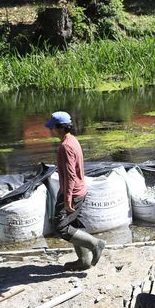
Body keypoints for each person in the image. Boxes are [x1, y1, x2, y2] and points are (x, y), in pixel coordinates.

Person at [46, 111, 105, 271]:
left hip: (72, 193)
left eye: (53, 127)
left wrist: (67, 199)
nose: (51, 130)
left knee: (61, 227)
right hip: (79, 190)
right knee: (73, 224)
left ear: (60, 127)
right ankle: (84, 260)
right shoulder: (73, 140)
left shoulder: (65, 147)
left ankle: (96, 244)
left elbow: (71, 175)